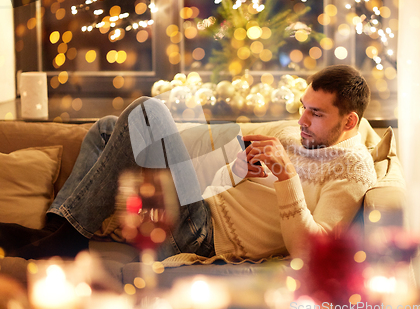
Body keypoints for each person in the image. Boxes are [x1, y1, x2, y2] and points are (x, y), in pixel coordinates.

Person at [0, 65, 377, 260]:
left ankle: (66, 242)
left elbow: (312, 252)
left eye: (316, 114)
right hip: (195, 205)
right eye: (302, 108)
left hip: (204, 238)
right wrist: (238, 166)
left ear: (349, 123)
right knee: (106, 128)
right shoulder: (295, 134)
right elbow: (215, 180)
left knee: (149, 112)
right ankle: (56, 230)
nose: (301, 121)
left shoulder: (352, 170)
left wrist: (287, 178)